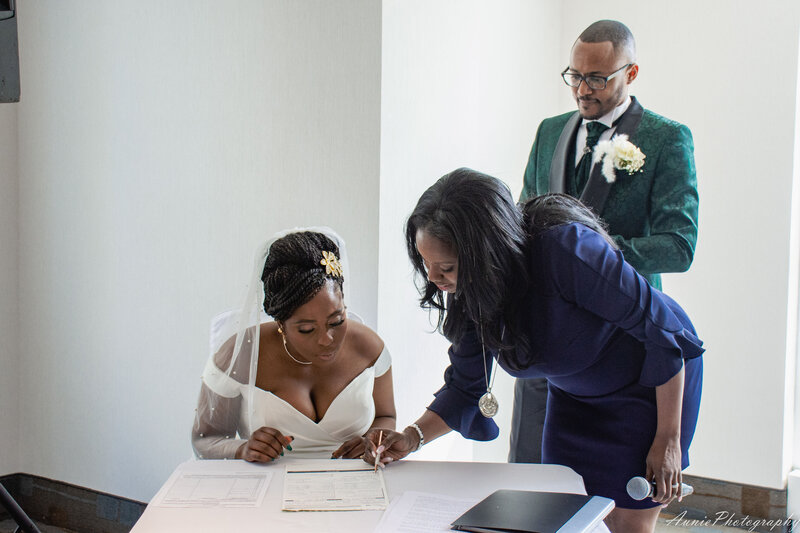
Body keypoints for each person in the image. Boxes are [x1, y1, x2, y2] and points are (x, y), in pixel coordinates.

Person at [367, 169, 703, 533]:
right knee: (564, 510)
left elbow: (664, 336)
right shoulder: (470, 291)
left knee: (627, 522)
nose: (434, 279)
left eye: (445, 267)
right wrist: (412, 437)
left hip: (649, 385)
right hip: (575, 398)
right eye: (425, 264)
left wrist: (667, 440)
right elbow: (466, 387)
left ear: (486, 253)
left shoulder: (567, 250)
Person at [512, 19, 699, 464]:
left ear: (630, 74)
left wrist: (591, 261)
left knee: (616, 488)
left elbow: (679, 245)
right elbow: (519, 223)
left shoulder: (667, 138)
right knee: (529, 473)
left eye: (596, 78)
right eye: (575, 76)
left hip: (621, 341)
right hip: (539, 335)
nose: (582, 89)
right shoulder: (549, 131)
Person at [192, 228, 396, 461]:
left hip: (354, 484)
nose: (326, 339)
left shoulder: (369, 347)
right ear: (280, 322)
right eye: (306, 329)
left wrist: (372, 441)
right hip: (272, 486)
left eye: (337, 321)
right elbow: (205, 439)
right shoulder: (241, 355)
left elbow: (386, 416)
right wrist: (242, 449)